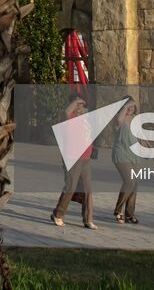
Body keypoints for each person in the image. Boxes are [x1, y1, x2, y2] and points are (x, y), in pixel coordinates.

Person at [50, 95, 97, 229]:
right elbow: (66, 112)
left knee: (88, 190)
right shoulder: (67, 118)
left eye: (82, 105)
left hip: (86, 158)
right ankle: (58, 214)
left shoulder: (85, 119)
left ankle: (88, 219)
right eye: (77, 105)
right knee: (70, 187)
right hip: (72, 157)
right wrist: (76, 102)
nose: (79, 107)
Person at [112, 97, 140, 223]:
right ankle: (118, 211)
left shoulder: (135, 120)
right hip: (121, 153)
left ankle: (129, 214)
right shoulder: (119, 119)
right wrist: (127, 104)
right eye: (127, 106)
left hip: (134, 154)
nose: (130, 109)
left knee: (134, 184)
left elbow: (140, 136)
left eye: (132, 107)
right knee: (129, 181)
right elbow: (119, 119)